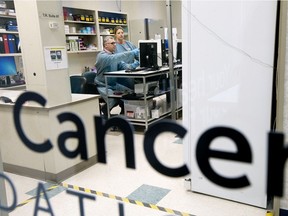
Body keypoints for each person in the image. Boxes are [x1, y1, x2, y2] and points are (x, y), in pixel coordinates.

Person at [94, 35, 139, 117]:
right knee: (114, 100)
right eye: (112, 43)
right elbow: (115, 58)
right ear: (106, 45)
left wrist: (137, 63)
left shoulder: (113, 55)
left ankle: (124, 116)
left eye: (115, 43)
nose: (115, 45)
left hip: (114, 85)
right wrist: (132, 53)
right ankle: (106, 115)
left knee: (129, 94)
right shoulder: (102, 56)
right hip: (103, 85)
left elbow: (125, 67)